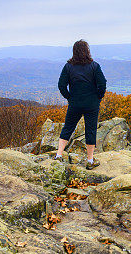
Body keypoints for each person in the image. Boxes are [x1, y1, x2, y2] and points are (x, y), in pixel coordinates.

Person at [54, 39, 107, 169]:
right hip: (91, 104)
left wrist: (69, 97)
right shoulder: (94, 66)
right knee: (91, 130)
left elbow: (61, 85)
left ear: (74, 51)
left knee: (68, 127)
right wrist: (98, 97)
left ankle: (59, 155)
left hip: (75, 103)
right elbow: (102, 84)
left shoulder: (68, 67)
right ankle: (90, 161)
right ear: (87, 51)